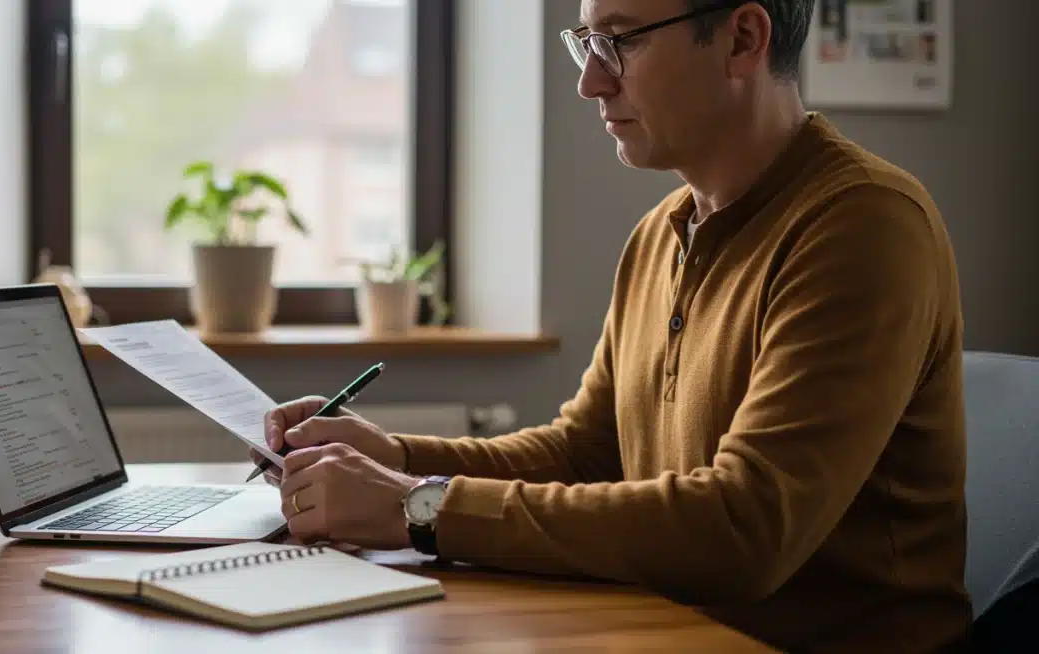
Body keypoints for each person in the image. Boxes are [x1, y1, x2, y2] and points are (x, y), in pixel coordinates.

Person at [253, 1, 972, 651]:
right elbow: (587, 454)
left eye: (621, 41)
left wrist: (417, 507)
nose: (590, 82)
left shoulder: (863, 226)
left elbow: (745, 528)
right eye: (587, 42)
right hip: (669, 631)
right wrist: (395, 458)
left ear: (742, 40)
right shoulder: (661, 233)